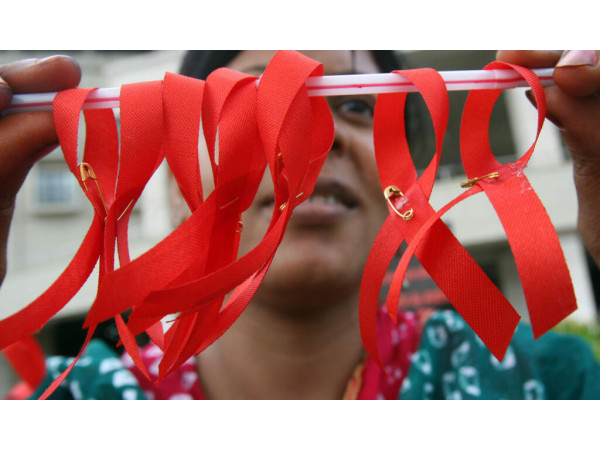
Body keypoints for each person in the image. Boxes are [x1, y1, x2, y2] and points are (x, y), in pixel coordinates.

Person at [0, 50, 599, 400]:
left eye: (357, 104)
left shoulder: (546, 384)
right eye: (258, 99)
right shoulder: (66, 404)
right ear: (180, 183)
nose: (317, 137)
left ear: (409, 184)